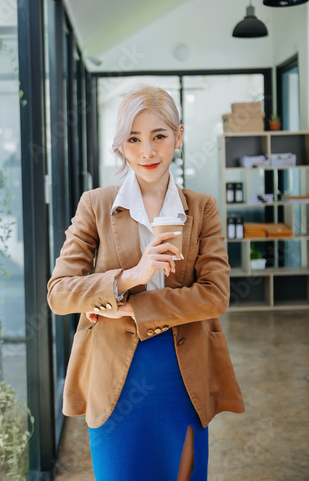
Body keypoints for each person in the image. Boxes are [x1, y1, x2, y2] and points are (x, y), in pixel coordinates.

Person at [47, 85, 245, 481]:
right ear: (121, 144)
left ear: (179, 136)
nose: (147, 152)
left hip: (182, 371)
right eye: (133, 139)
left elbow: (215, 295)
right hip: (115, 375)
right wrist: (130, 277)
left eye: (159, 136)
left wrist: (133, 306)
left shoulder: (201, 209)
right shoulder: (97, 205)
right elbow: (59, 292)